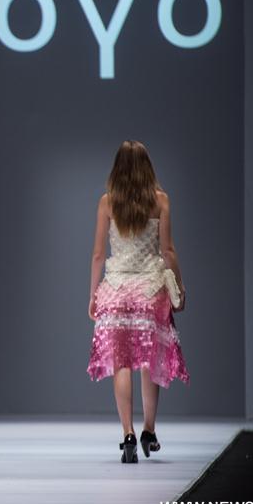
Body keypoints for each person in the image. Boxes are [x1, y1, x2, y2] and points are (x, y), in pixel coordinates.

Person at [86, 140, 190, 463]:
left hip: (116, 289)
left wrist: (93, 295)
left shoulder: (107, 203)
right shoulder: (160, 201)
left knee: (122, 363)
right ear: (147, 167)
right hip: (149, 290)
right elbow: (167, 250)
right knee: (148, 361)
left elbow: (99, 254)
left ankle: (127, 434)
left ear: (117, 168)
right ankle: (149, 429)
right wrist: (180, 286)